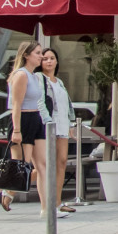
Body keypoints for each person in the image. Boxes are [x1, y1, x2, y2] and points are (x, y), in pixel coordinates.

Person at [0, 41, 55, 219]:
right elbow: (16, 105)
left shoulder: (34, 76)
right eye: (38, 53)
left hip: (36, 120)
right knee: (19, 167)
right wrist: (17, 130)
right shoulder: (21, 75)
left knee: (43, 165)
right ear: (26, 55)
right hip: (22, 120)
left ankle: (46, 208)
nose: (41, 56)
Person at [40, 48, 77, 215]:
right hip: (49, 125)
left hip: (62, 125)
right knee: (46, 165)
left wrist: (71, 124)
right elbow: (40, 103)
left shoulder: (59, 82)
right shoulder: (39, 79)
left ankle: (57, 202)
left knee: (61, 162)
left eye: (52, 58)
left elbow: (67, 104)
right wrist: (47, 121)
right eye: (45, 58)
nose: (49, 61)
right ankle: (10, 188)